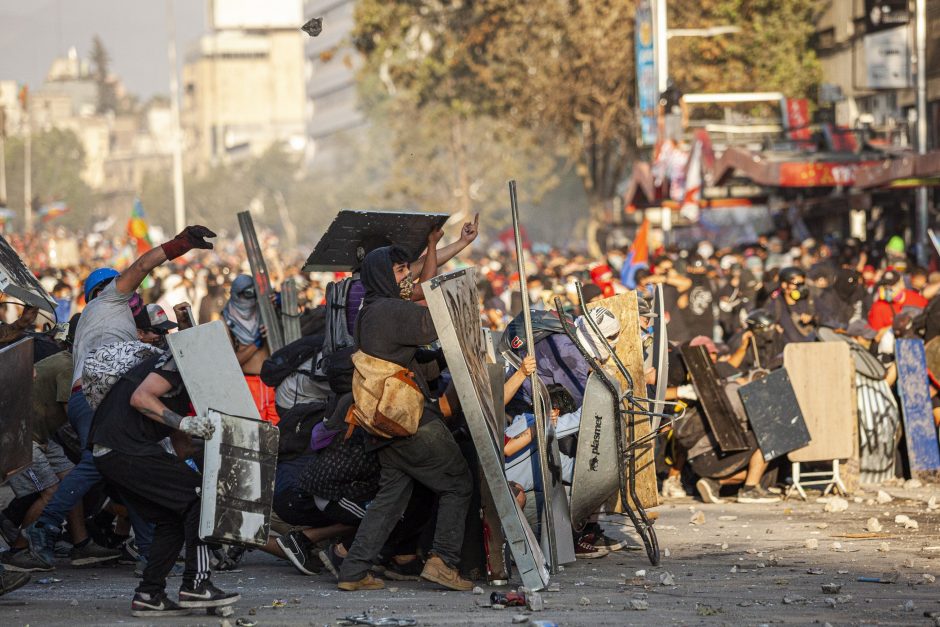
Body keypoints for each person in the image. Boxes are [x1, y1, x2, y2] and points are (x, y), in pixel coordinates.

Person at [26, 225, 216, 566]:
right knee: (100, 462)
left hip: (102, 397)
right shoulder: (110, 300)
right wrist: (179, 245)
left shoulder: (104, 319)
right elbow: (142, 266)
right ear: (105, 288)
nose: (135, 293)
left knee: (130, 471)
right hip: (96, 396)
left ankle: (148, 556)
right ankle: (45, 524)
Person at [336, 238, 474, 592]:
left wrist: (434, 246)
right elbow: (433, 321)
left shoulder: (373, 309)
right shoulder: (391, 311)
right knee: (458, 482)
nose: (405, 278)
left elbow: (417, 299)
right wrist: (460, 294)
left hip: (384, 419)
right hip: (409, 417)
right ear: (383, 276)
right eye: (399, 271)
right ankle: (443, 561)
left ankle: (353, 570)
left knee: (390, 498)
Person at [88, 348, 238, 617]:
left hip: (113, 452)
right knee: (201, 498)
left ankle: (149, 594)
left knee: (173, 516)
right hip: (125, 449)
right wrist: (185, 423)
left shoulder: (182, 384)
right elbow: (140, 397)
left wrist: (213, 458)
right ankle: (197, 584)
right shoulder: (179, 361)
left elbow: (181, 448)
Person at [1, 314, 118, 572]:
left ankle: (81, 543)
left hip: (38, 435)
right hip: (19, 437)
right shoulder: (68, 367)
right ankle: (19, 549)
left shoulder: (71, 363)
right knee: (52, 491)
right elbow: (73, 416)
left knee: (72, 480)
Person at [222, 274, 280, 425]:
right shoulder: (226, 320)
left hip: (272, 381)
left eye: (252, 293)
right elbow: (231, 361)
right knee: (255, 428)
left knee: (277, 428)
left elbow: (296, 311)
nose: (249, 299)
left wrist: (280, 302)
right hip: (248, 383)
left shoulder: (264, 311)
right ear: (235, 294)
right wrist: (256, 343)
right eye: (245, 294)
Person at [766, 267, 816, 343]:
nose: (801, 287)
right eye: (797, 284)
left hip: (810, 346)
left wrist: (812, 317)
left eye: (802, 284)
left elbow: (825, 315)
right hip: (789, 349)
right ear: (784, 284)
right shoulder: (776, 303)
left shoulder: (808, 299)